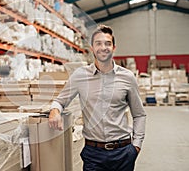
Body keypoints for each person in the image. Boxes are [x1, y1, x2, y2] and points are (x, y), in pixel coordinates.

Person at [48, 24, 146, 171]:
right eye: (98, 43)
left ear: (114, 47)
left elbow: (139, 114)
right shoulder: (80, 76)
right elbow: (60, 101)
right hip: (94, 153)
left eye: (108, 43)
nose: (103, 47)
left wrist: (136, 146)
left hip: (123, 152)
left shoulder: (127, 77)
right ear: (92, 48)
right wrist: (54, 111)